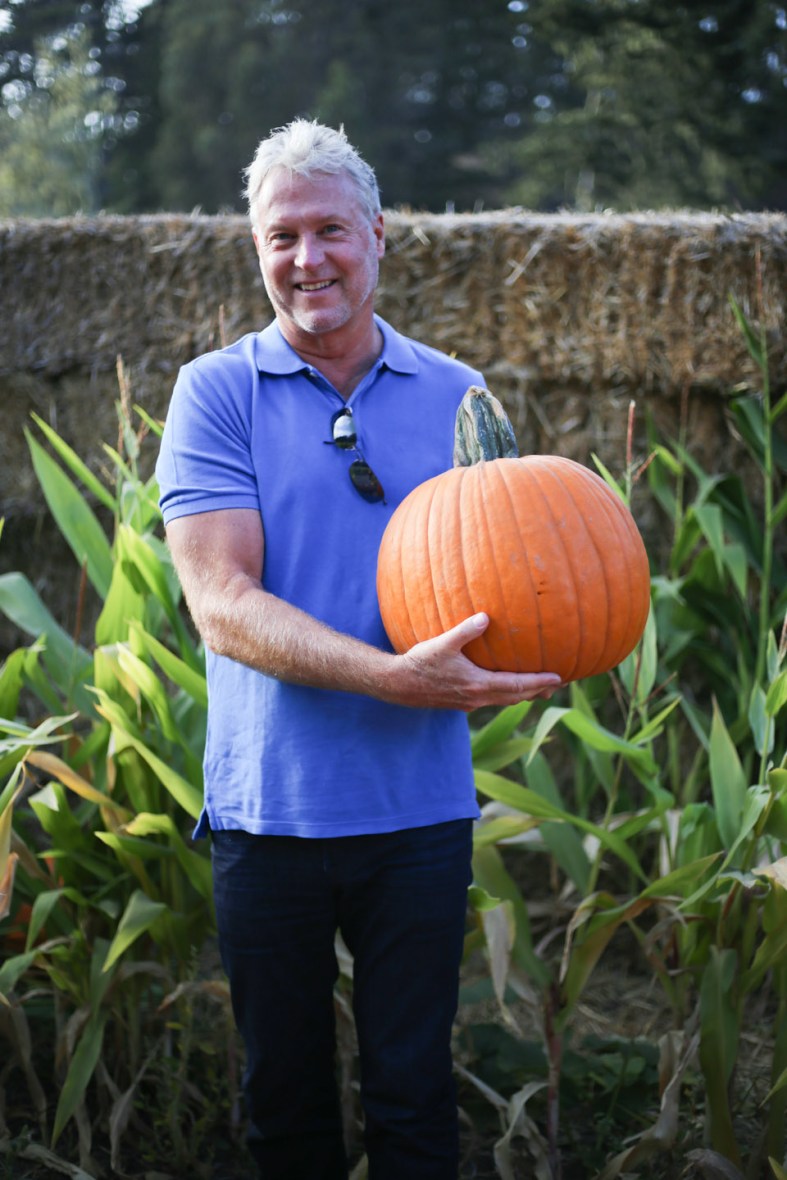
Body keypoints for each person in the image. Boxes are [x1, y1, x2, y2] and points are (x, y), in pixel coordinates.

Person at [156, 119, 560, 1180]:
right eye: (281, 236)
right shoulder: (216, 392)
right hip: (269, 812)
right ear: (256, 248)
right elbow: (221, 604)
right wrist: (391, 677)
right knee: (284, 1107)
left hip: (418, 813)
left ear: (378, 234)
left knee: (414, 1099)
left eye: (329, 230)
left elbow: (509, 569)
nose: (307, 259)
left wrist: (528, 650)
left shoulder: (459, 396)